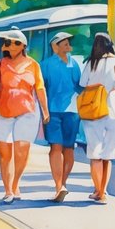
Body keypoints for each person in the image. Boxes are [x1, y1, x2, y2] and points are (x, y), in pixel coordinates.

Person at [0, 28, 50, 203]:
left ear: (23, 45)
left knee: (22, 150)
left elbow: (40, 88)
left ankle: (15, 183)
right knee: (5, 153)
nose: (11, 45)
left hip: (27, 112)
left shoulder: (33, 65)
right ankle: (8, 190)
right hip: (2, 112)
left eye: (15, 42)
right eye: (8, 42)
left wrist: (45, 110)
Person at [79, 32, 115, 203]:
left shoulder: (90, 63)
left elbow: (83, 85)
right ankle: (103, 191)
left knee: (95, 152)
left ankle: (98, 191)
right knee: (108, 153)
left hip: (94, 109)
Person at [42, 31, 83, 203]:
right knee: (56, 148)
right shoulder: (46, 65)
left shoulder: (74, 64)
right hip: (53, 111)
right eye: (63, 42)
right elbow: (41, 88)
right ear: (55, 46)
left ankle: (62, 183)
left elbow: (80, 87)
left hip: (72, 111)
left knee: (68, 148)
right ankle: (59, 185)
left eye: (68, 42)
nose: (67, 44)